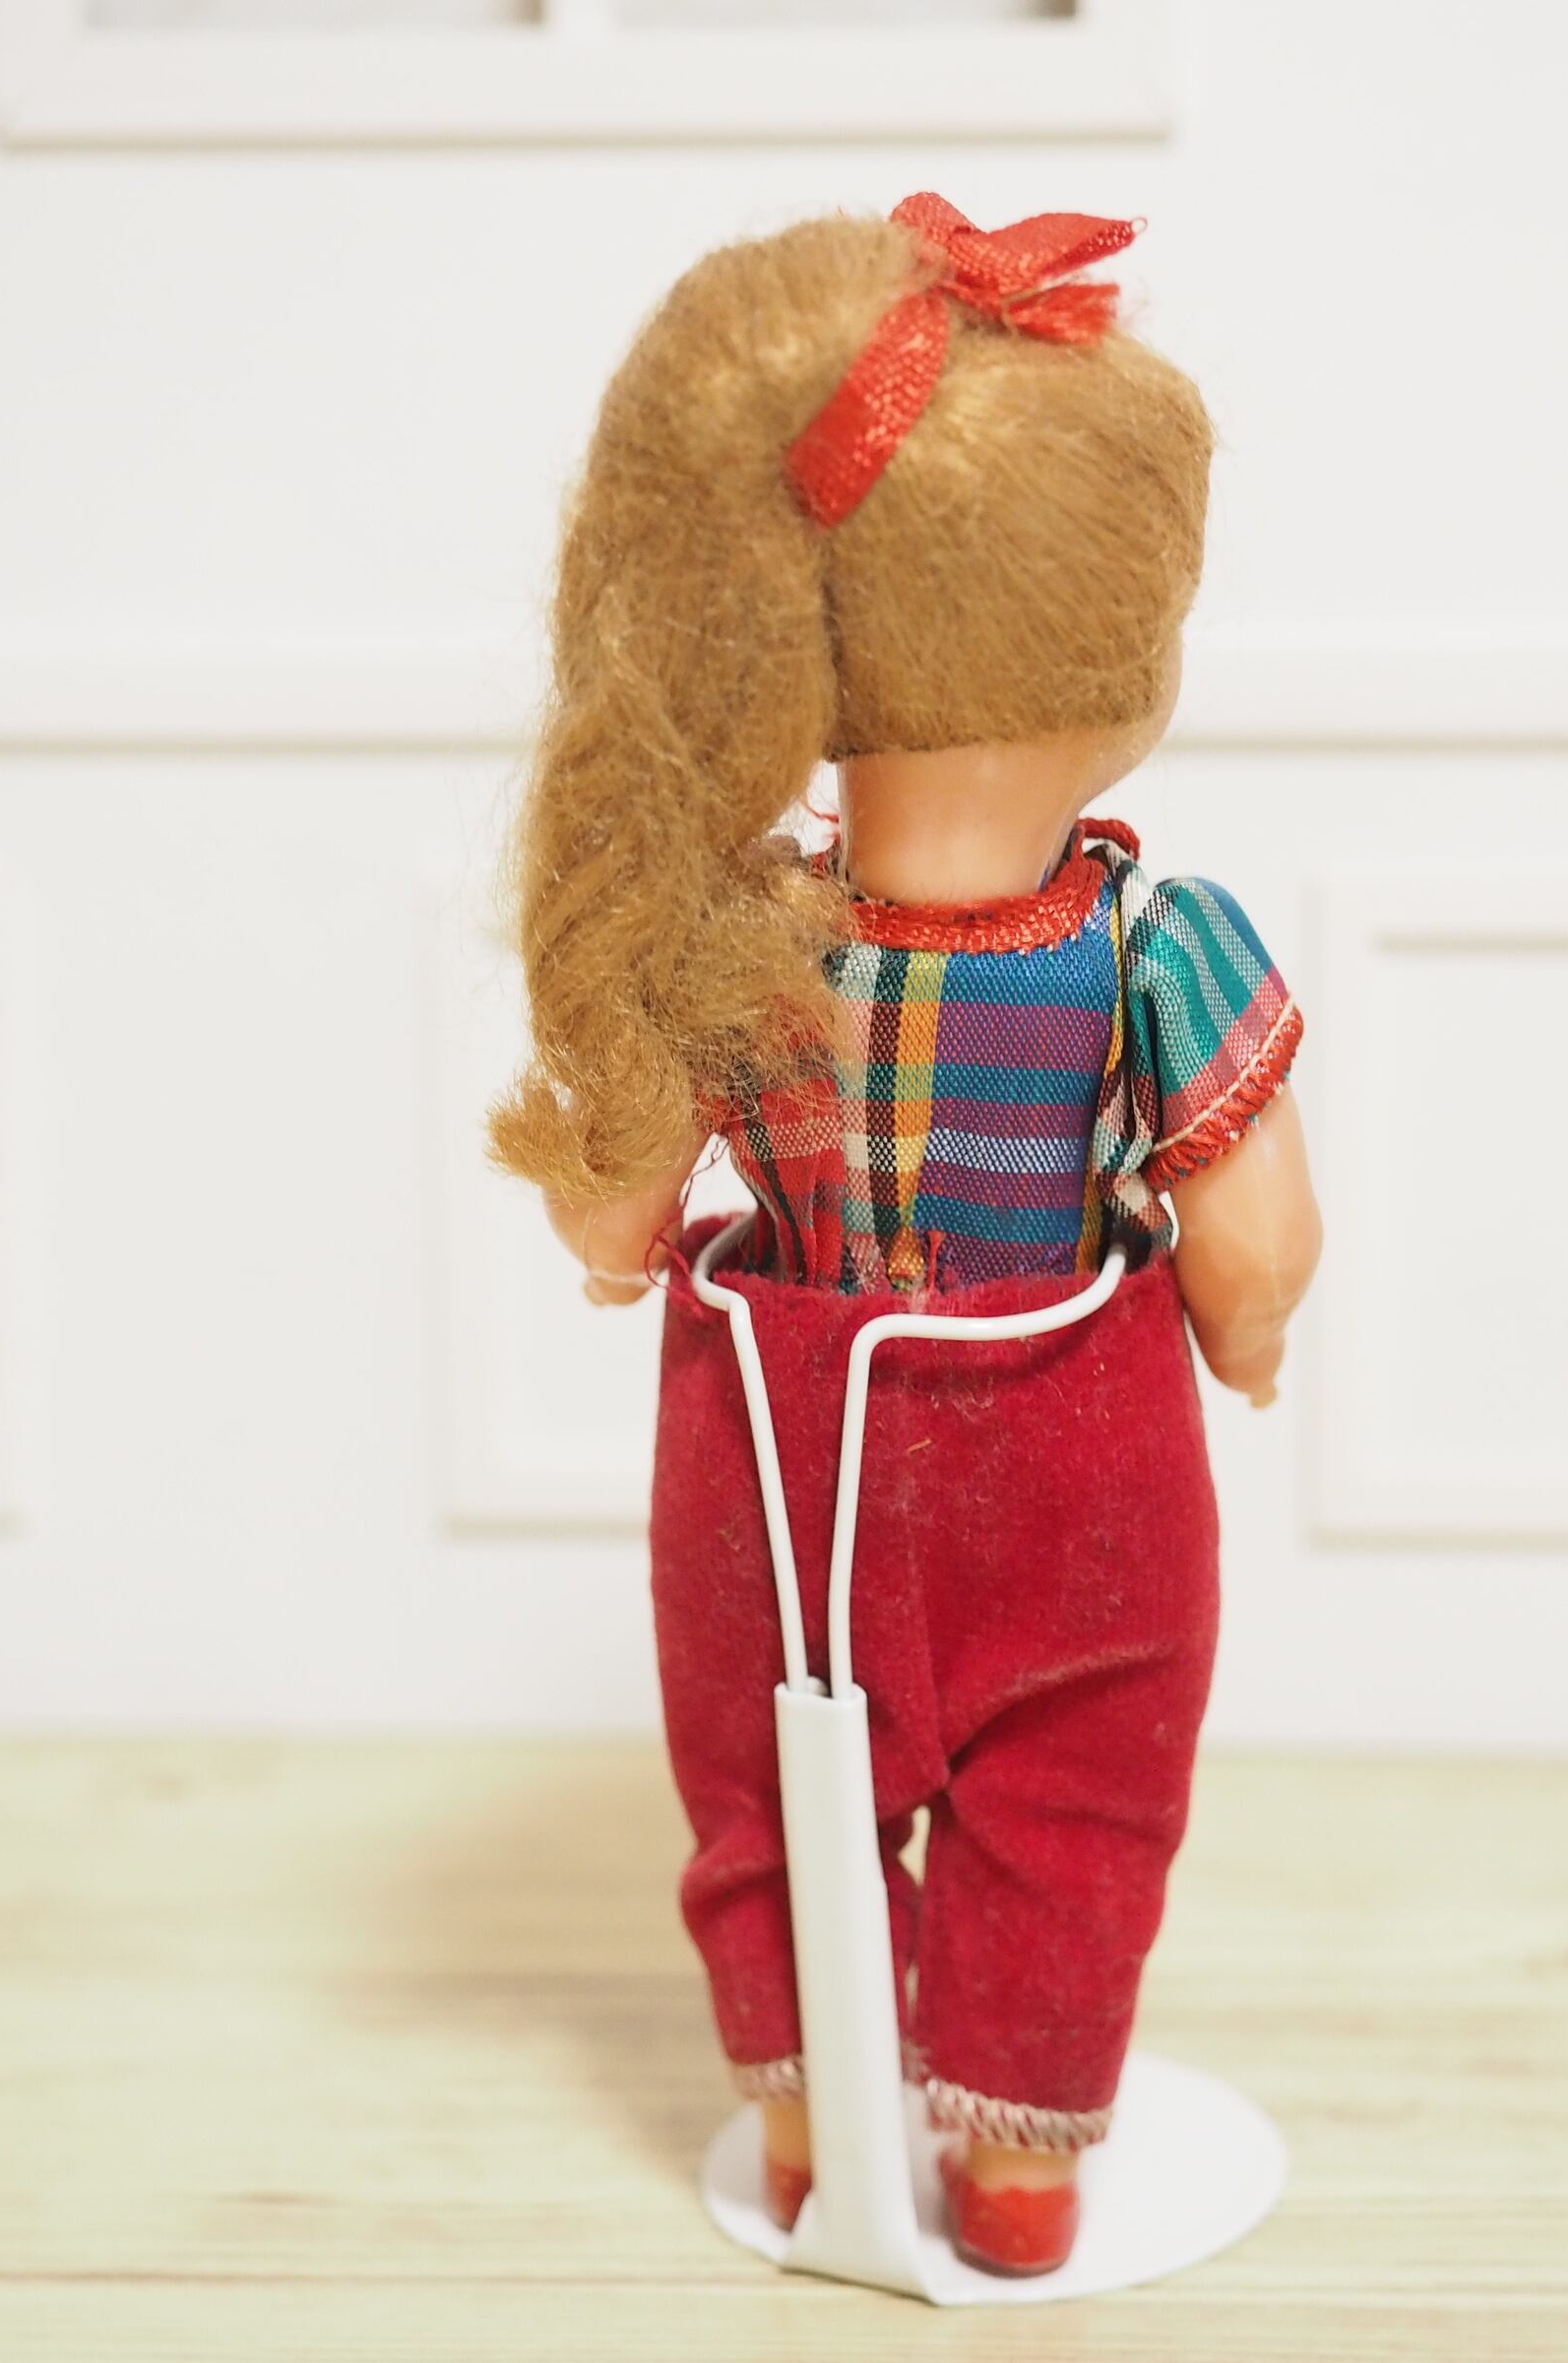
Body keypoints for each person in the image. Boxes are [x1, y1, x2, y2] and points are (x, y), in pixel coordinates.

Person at [490, 195, 1321, 2278]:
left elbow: (615, 1206)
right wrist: (1248, 1337)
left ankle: (804, 2124)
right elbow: (1256, 1233)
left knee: (771, 1793)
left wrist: (609, 1242)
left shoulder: (736, 941)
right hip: (1074, 1468)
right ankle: (1017, 2172)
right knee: (1077, 1798)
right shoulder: (1159, 941)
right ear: (1120, 660)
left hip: (779, 1471)